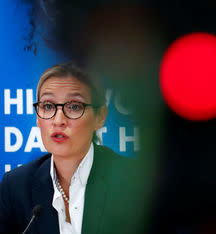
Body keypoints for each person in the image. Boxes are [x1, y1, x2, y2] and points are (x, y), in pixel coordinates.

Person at [0, 62, 145, 233]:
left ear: (100, 117)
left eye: (74, 106)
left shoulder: (134, 182)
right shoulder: (16, 186)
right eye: (48, 106)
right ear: (38, 119)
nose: (58, 120)